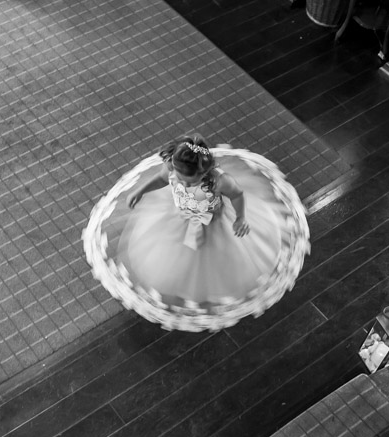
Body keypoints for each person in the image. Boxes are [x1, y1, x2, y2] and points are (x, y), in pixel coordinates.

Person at [82, 134, 311, 331]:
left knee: (215, 262)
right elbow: (162, 179)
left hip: (214, 222)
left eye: (187, 180)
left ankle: (214, 286)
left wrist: (240, 218)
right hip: (179, 218)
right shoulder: (172, 168)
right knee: (173, 258)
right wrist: (141, 190)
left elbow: (238, 195)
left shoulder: (220, 181)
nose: (181, 182)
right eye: (179, 177)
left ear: (204, 172)